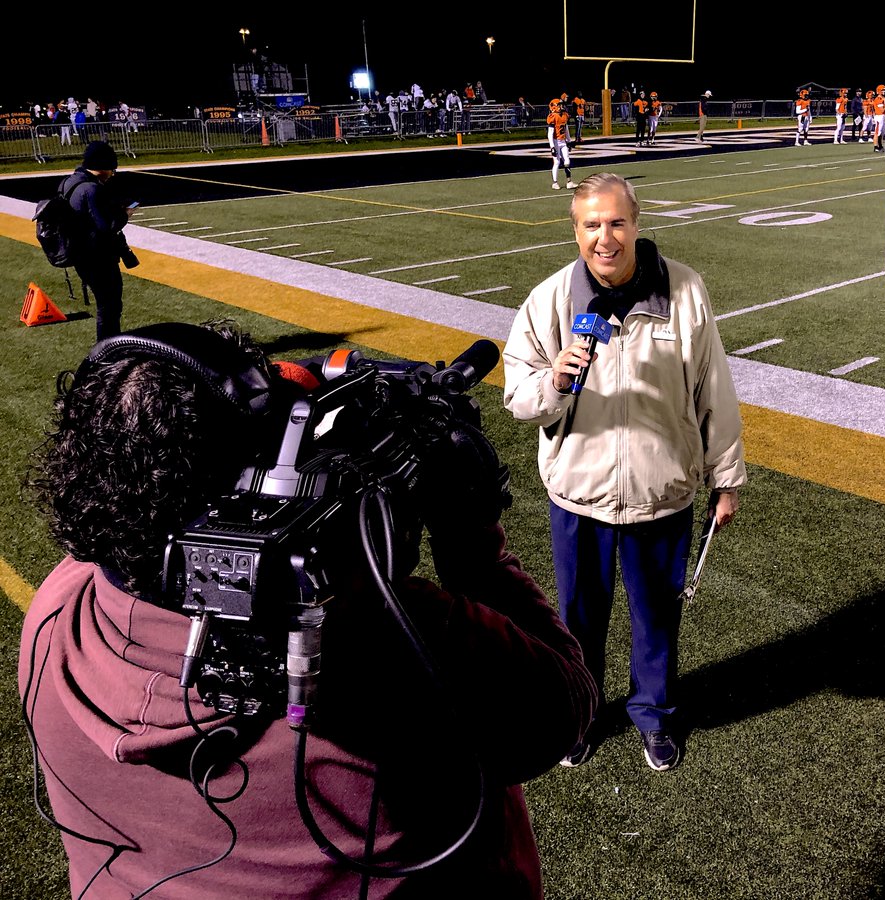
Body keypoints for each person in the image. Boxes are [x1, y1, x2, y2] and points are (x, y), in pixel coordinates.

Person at [19, 321, 597, 900]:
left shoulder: (57, 607)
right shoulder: (385, 637)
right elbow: (564, 705)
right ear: (257, 490)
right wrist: (472, 544)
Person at [502, 173, 747, 772]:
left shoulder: (685, 289)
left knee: (657, 618)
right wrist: (554, 379)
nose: (604, 238)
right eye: (591, 225)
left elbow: (713, 386)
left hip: (662, 490)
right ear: (575, 231)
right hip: (579, 491)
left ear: (637, 224)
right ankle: (581, 716)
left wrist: (726, 475)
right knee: (578, 619)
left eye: (616, 222)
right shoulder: (551, 299)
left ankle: (654, 716)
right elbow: (518, 398)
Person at [63, 141, 138, 340]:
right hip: (97, 257)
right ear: (103, 166)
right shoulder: (91, 189)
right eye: (112, 169)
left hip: (81, 254)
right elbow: (106, 227)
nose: (113, 174)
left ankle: (106, 348)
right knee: (110, 307)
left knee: (107, 306)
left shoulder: (70, 182)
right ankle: (106, 350)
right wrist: (125, 214)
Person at [546, 99, 576, 190]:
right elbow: (550, 134)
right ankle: (555, 183)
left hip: (563, 141)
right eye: (559, 105)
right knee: (557, 162)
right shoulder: (553, 116)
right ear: (554, 106)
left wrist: (569, 141)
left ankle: (569, 182)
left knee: (567, 160)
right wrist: (552, 147)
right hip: (555, 141)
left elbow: (566, 129)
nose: (562, 106)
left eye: (561, 105)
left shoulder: (564, 115)